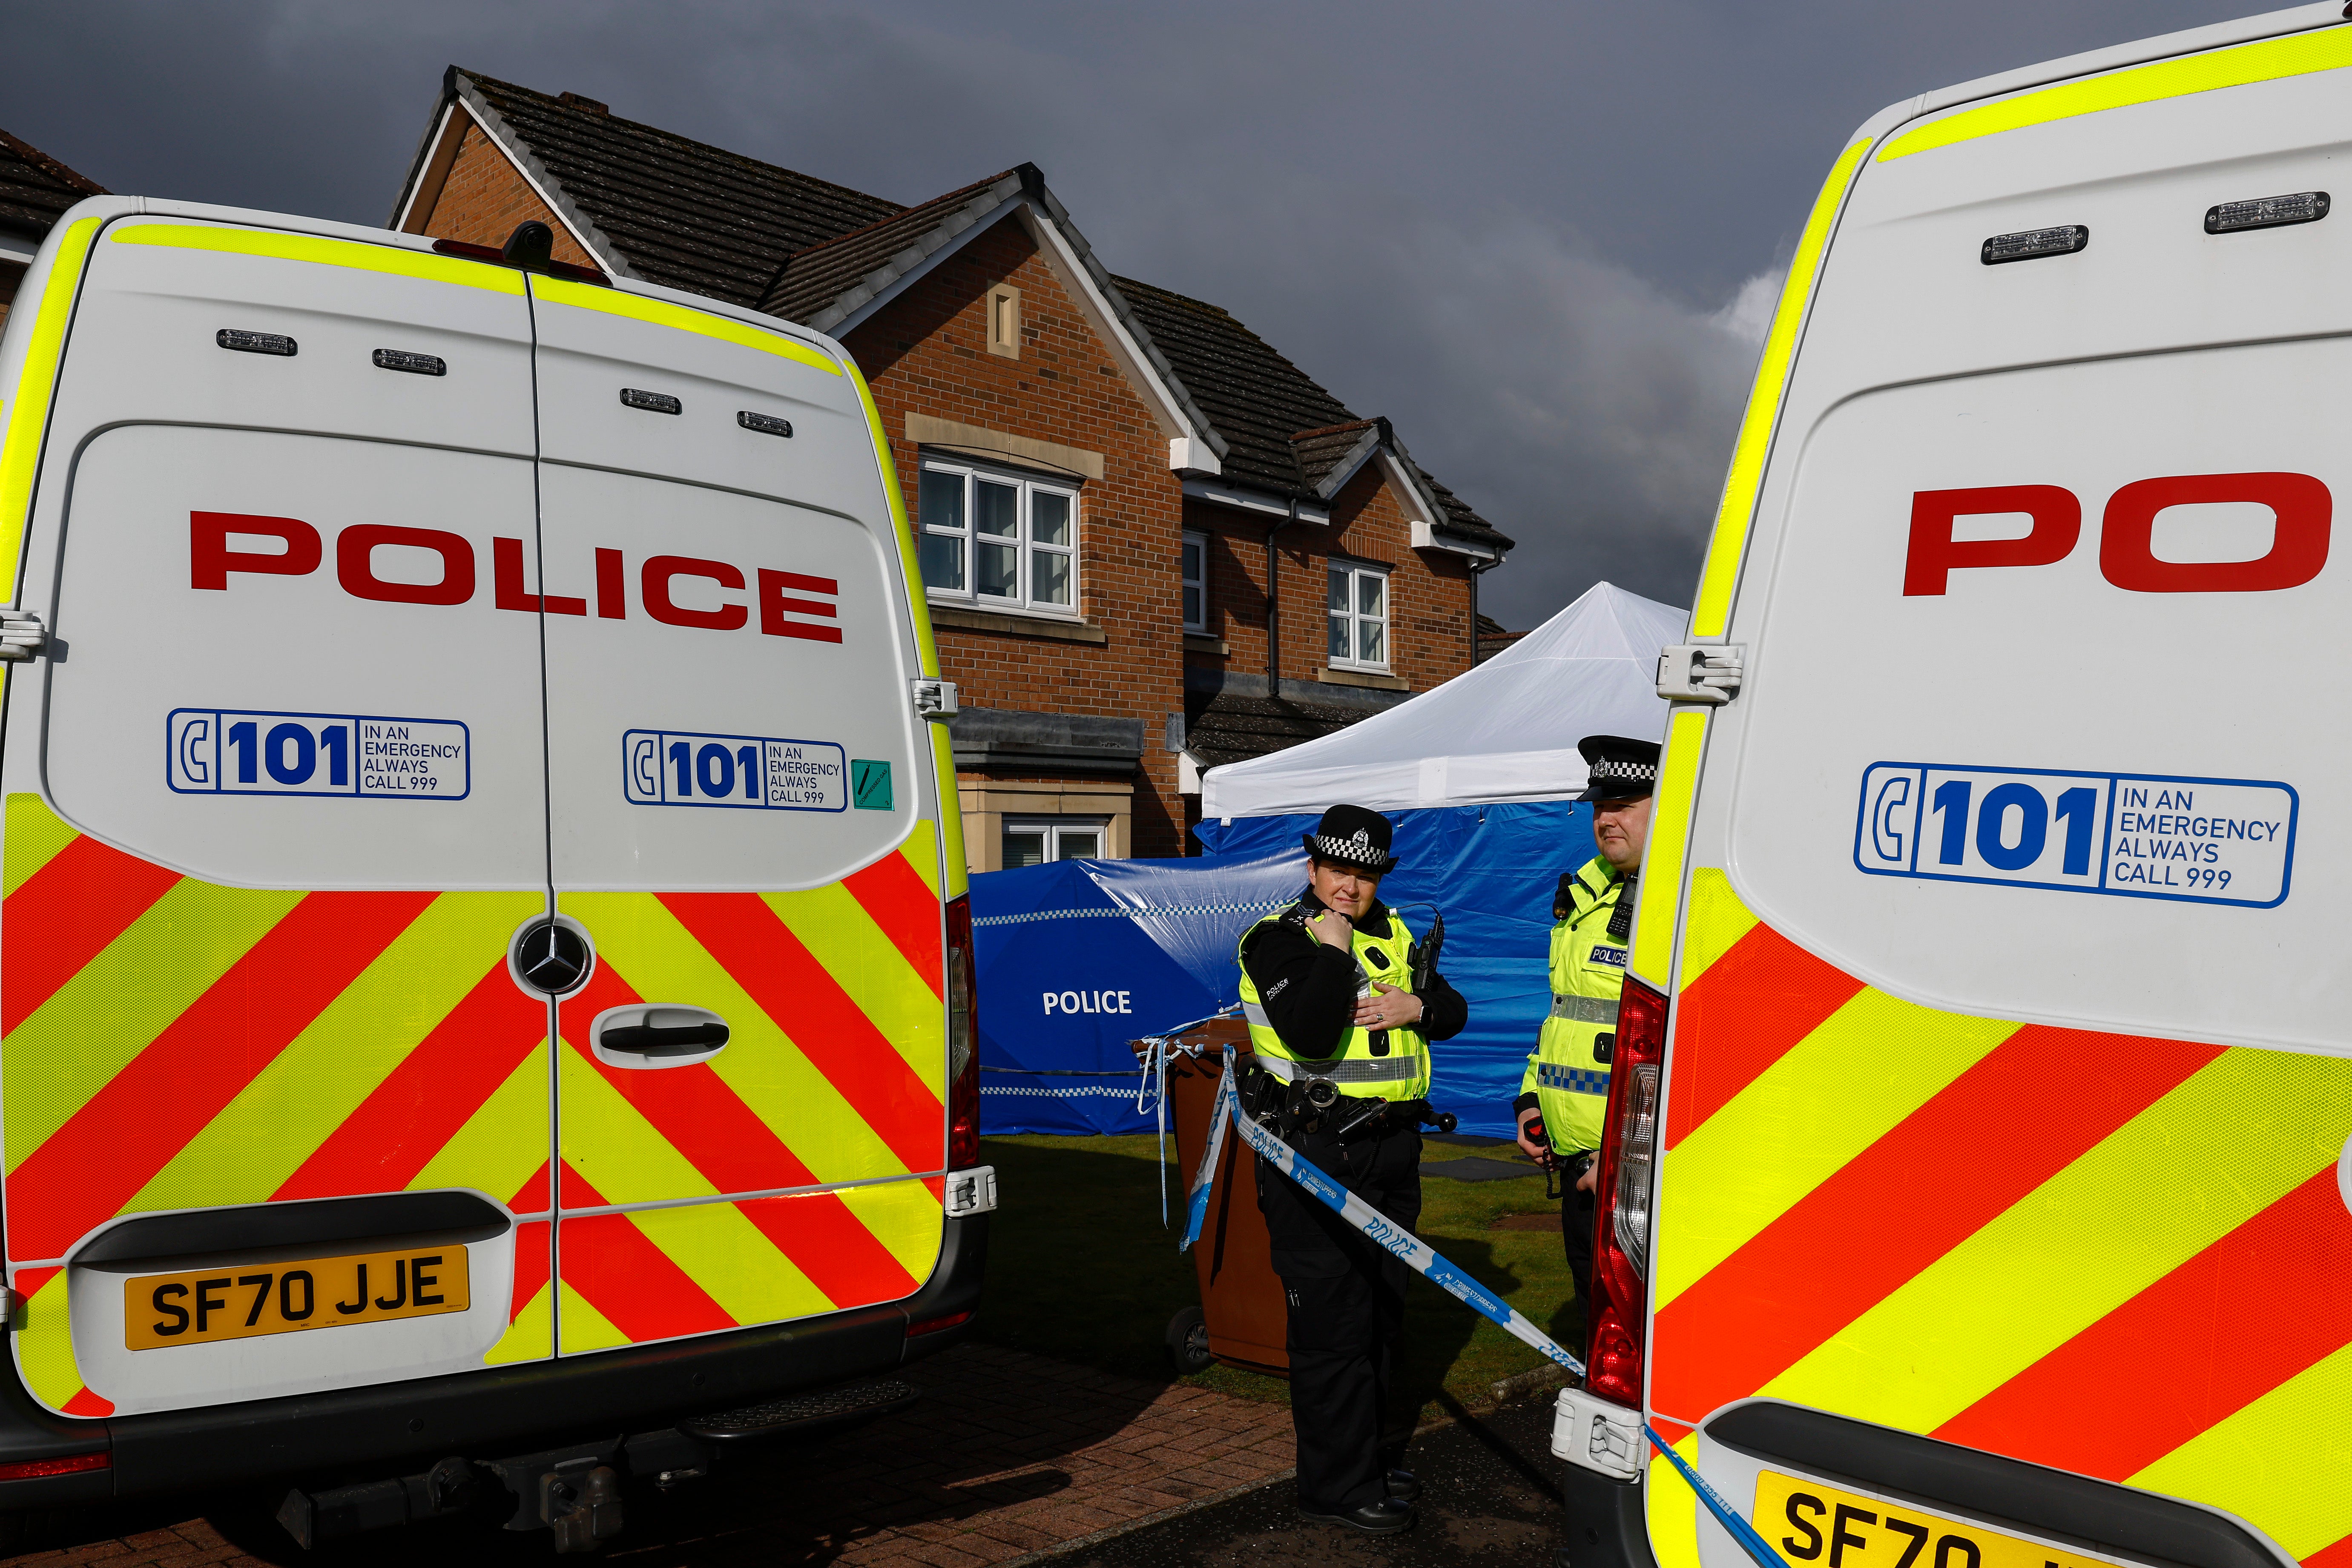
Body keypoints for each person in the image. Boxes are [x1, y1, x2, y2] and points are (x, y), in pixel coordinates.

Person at [1236, 804, 1467, 1536]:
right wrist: (1333, 950)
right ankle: (1333, 1487)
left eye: (1364, 873)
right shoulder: (1277, 939)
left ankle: (1363, 1456)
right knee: (1334, 1328)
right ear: (1313, 869)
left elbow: (1454, 1009)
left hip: (1393, 1150)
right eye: (1337, 869)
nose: (1350, 886)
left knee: (1380, 1318)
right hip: (1318, 1151)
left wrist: (1418, 1005)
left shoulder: (1395, 932)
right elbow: (1307, 1033)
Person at [1514, 734, 1655, 1329]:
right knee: (1594, 1325)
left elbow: (1672, 1049)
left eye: (1623, 804)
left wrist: (1627, 1161)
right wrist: (1530, 1099)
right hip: (1578, 1164)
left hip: (1635, 1174)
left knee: (1637, 1335)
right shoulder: (1583, 897)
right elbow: (1565, 1014)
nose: (1606, 819)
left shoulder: (1672, 904)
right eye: (1600, 805)